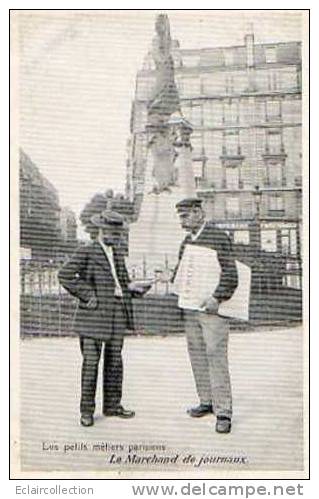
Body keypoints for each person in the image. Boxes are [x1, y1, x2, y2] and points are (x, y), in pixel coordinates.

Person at [58, 209, 150, 427]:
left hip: (117, 312)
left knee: (115, 361)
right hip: (93, 316)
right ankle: (87, 411)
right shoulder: (87, 250)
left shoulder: (116, 252)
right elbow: (64, 274)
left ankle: (112, 406)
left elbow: (122, 282)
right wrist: (88, 295)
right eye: (112, 232)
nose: (116, 237)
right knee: (91, 363)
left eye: (118, 233)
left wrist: (133, 288)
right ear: (100, 229)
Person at [173, 198, 238, 433]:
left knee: (215, 355)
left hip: (212, 309)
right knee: (197, 354)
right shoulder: (186, 242)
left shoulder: (218, 237)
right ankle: (206, 401)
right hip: (190, 310)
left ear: (199, 213)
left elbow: (231, 273)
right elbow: (182, 275)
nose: (182, 221)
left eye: (185, 216)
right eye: (180, 216)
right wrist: (170, 281)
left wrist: (217, 297)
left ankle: (224, 411)